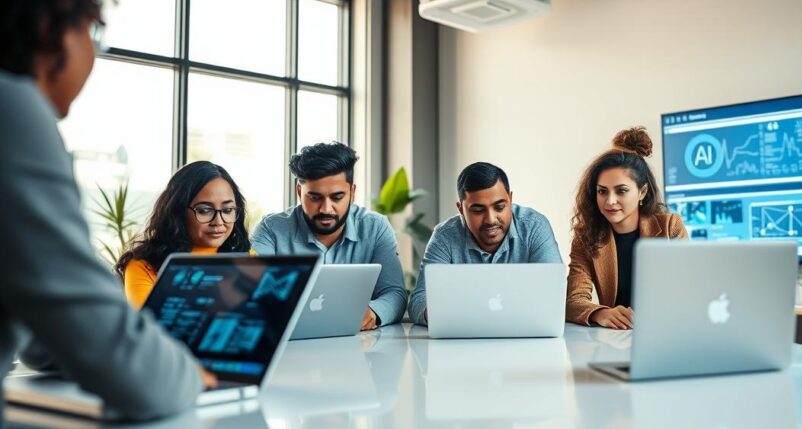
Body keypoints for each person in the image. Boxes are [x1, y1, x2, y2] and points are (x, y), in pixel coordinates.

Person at [0, 0, 212, 429]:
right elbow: (134, 373)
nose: (93, 51)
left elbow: (50, 335)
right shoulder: (13, 112)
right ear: (52, 25)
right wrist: (193, 374)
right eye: (93, 30)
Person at [251, 142, 406, 330]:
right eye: (315, 197)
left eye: (337, 197)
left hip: (359, 345)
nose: (326, 208)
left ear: (352, 192)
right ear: (300, 192)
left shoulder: (376, 227)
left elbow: (394, 293)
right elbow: (254, 291)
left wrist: (373, 312)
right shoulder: (271, 230)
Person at [408, 162, 562, 325]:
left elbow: (553, 292)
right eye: (478, 210)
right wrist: (439, 313)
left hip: (525, 337)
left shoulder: (534, 226)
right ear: (461, 209)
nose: (490, 219)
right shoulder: (444, 237)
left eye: (500, 207)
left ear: (510, 199)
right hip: (463, 340)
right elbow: (419, 300)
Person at [566, 127, 687, 329]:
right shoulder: (586, 237)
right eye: (602, 192)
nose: (610, 201)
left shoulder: (670, 227)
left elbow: (688, 290)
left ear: (642, 192)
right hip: (617, 337)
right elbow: (573, 301)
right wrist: (601, 313)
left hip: (667, 331)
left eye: (621, 191)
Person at [118, 161, 252, 308]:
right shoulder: (144, 266)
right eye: (204, 211)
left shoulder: (246, 256)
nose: (219, 222)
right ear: (178, 211)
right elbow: (151, 327)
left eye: (227, 210)